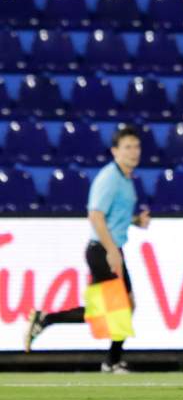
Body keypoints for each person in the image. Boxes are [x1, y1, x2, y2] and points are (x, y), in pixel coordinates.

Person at [24, 126, 149, 373]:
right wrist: (112, 251)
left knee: (108, 309)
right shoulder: (110, 178)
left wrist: (135, 221)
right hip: (103, 250)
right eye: (127, 147)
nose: (133, 152)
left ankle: (47, 320)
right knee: (121, 306)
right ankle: (111, 362)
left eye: (136, 146)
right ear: (115, 151)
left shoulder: (125, 179)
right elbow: (95, 215)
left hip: (110, 249)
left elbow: (113, 216)